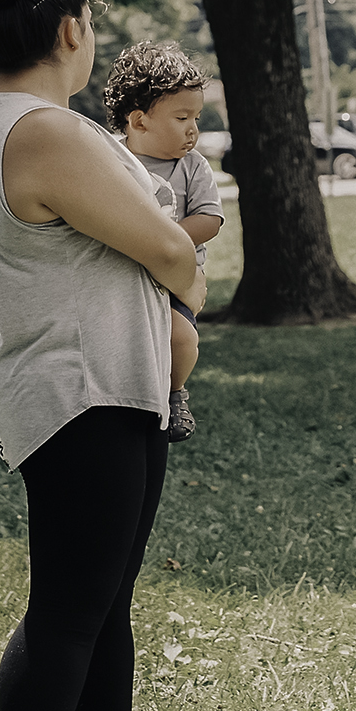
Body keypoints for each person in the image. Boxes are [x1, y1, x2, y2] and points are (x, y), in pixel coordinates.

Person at [0, 0, 205, 711]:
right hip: (81, 395)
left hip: (109, 385)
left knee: (104, 597)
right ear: (69, 30)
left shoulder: (12, 121)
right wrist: (184, 278)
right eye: (90, 22)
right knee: (67, 608)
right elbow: (171, 246)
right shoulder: (47, 131)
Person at [96, 40, 228, 440]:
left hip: (173, 280)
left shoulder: (192, 167)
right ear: (139, 122)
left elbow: (210, 219)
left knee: (180, 337)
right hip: (119, 274)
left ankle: (174, 393)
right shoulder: (109, 159)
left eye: (196, 117)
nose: (193, 129)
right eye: (182, 117)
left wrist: (160, 240)